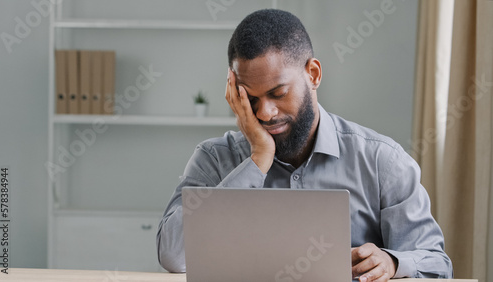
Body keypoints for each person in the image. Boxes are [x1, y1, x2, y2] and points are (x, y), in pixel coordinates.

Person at [157, 9, 453, 281]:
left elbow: (437, 265)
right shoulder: (214, 159)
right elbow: (173, 254)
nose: (265, 113)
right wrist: (258, 159)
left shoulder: (382, 161)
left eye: (278, 93)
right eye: (251, 99)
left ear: (313, 74)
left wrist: (392, 262)